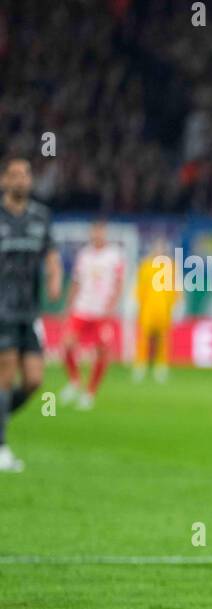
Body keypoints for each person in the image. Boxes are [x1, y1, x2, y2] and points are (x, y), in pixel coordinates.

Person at [0, 155, 62, 472]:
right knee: (5, 375)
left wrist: (54, 278)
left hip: (30, 311)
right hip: (2, 310)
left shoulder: (41, 216)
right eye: (15, 175)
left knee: (35, 379)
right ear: (3, 181)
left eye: (26, 174)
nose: (21, 180)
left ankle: (1, 415)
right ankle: (1, 448)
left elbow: (51, 254)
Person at [60, 220, 125, 409]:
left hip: (101, 311)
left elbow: (119, 283)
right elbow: (76, 282)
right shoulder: (84, 255)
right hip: (82, 307)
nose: (97, 235)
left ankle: (90, 393)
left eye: (100, 232)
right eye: (94, 232)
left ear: (105, 234)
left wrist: (112, 305)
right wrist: (68, 305)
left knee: (103, 351)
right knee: (66, 344)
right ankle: (74, 381)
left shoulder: (114, 256)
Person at [133, 236, 183, 382]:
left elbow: (177, 286)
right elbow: (140, 287)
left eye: (162, 248)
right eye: (157, 247)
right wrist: (135, 303)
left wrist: (178, 305)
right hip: (147, 308)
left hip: (165, 308)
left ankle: (161, 367)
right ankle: (140, 366)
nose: (159, 250)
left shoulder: (171, 266)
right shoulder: (146, 266)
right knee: (144, 338)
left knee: (163, 340)